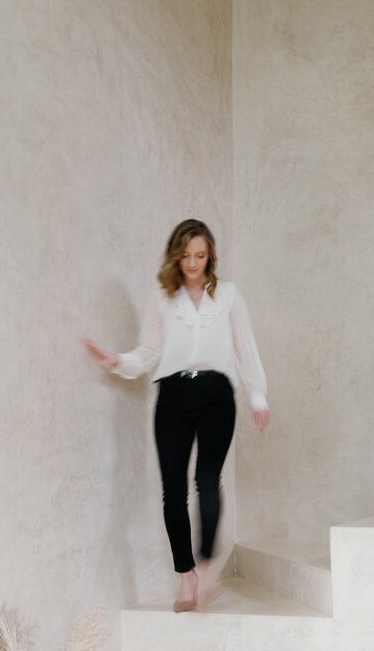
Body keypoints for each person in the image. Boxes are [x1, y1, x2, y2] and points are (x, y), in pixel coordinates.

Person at [84, 219, 269, 612]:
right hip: (173, 395)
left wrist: (258, 395)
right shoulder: (162, 299)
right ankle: (186, 576)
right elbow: (149, 352)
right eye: (185, 256)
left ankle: (206, 562)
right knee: (173, 491)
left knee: (207, 479)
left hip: (218, 393)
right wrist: (118, 361)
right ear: (176, 255)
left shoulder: (229, 296)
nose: (193, 263)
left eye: (200, 256)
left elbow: (244, 348)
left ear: (210, 256)